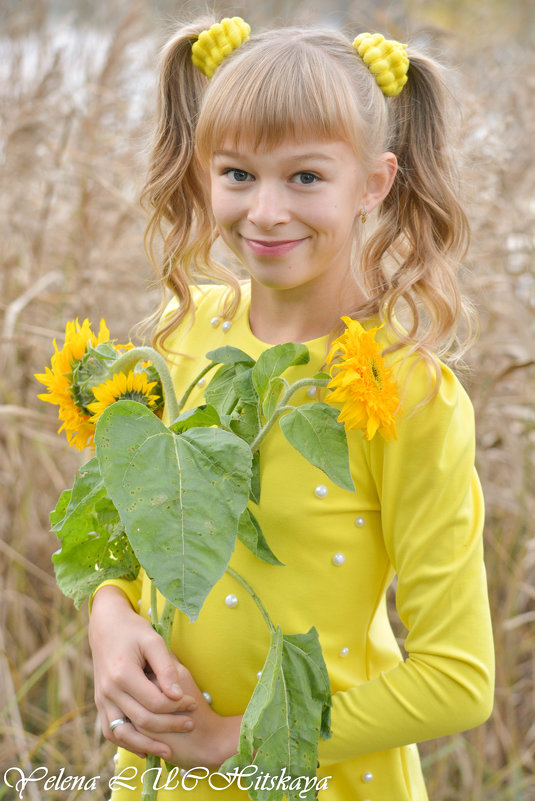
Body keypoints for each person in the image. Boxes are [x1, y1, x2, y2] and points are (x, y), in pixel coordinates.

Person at [88, 15, 495, 800]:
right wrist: (109, 616)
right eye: (238, 173)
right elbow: (129, 540)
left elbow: (458, 678)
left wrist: (234, 740)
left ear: (374, 183)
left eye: (305, 177)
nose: (265, 212)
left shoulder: (400, 392)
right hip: (159, 777)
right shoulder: (179, 336)